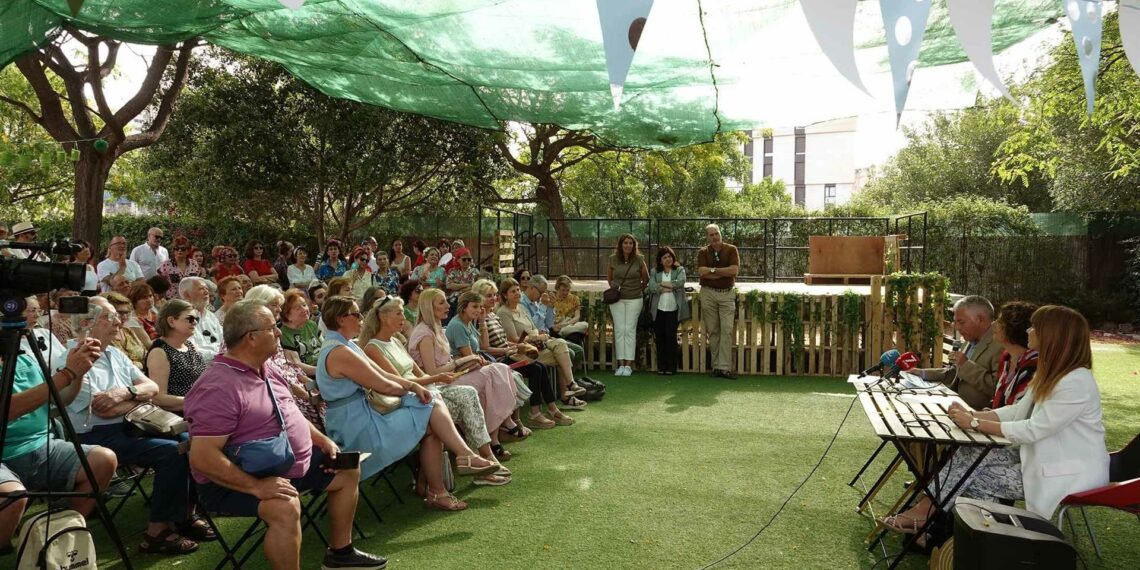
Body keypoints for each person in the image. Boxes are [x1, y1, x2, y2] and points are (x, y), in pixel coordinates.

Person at [185, 300, 388, 570]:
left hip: (286, 464)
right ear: (251, 338)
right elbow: (202, 457)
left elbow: (291, 414)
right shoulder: (218, 386)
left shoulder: (266, 368)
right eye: (273, 327)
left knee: (347, 469)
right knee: (285, 506)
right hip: (241, 478)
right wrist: (256, 487)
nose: (279, 332)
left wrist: (321, 440)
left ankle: (340, 553)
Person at [880, 305, 1110, 539]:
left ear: (1051, 336)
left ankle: (942, 528)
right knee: (971, 455)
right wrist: (975, 415)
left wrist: (975, 423)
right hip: (1042, 458)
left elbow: (1032, 429)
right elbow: (1018, 411)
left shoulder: (1075, 382)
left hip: (1068, 472)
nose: (1029, 330)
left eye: (1035, 327)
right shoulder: (1054, 372)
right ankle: (959, 535)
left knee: (974, 477)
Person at [58, 296, 213, 555]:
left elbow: (150, 388)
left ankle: (184, 515)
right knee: (172, 452)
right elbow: (102, 410)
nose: (119, 321)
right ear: (86, 323)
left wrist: (123, 393)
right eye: (110, 317)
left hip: (134, 425)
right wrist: (136, 398)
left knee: (194, 439)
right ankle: (156, 533)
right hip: (97, 436)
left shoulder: (114, 354)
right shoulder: (71, 360)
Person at [316, 296, 501, 511]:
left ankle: (439, 488)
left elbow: (385, 377)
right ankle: (462, 459)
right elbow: (383, 385)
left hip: (363, 415)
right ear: (340, 319)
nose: (361, 318)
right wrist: (415, 387)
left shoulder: (345, 345)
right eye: (356, 314)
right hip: (356, 428)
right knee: (431, 404)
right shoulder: (340, 351)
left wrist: (417, 387)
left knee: (431, 421)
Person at [360, 295, 512, 486]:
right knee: (465, 399)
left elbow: (419, 374)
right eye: (399, 313)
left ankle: (479, 459)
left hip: (424, 391)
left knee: (468, 394)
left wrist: (438, 379)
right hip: (409, 399)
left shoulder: (396, 342)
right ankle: (478, 460)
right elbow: (401, 383)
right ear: (383, 317)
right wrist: (438, 378)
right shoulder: (372, 348)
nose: (403, 318)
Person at [1, 337, 117, 554]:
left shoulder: (23, 357)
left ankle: (64, 540)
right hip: (5, 455)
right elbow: (8, 410)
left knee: (102, 460)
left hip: (41, 444)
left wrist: (79, 372)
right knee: (11, 497)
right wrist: (67, 374)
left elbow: (62, 399)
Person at [414, 289, 522, 459]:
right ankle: (493, 440)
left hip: (451, 376)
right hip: (439, 383)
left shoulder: (437, 329)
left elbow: (478, 348)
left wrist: (464, 362)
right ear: (429, 306)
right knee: (491, 375)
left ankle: (494, 436)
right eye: (442, 302)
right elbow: (432, 372)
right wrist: (460, 362)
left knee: (498, 371)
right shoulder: (426, 333)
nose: (448, 305)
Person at [472, 280, 573, 429]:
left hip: (508, 354)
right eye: (488, 296)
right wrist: (510, 349)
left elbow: (504, 341)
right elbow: (484, 348)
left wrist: (518, 347)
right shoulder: (479, 319)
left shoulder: (493, 315)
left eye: (494, 295)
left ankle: (552, 409)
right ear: (479, 297)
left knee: (540, 367)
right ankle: (535, 413)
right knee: (536, 369)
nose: (493, 298)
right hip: (497, 361)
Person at [496, 278, 588, 410]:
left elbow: (536, 326)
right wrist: (537, 336)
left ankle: (570, 387)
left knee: (562, 345)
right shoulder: (504, 313)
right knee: (563, 354)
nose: (517, 293)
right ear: (505, 295)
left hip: (539, 343)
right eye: (513, 291)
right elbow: (516, 340)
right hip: (524, 351)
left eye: (517, 290)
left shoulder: (521, 308)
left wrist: (540, 331)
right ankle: (567, 393)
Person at [913, 295, 1002, 411]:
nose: (956, 327)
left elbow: (997, 388)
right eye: (955, 322)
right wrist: (920, 373)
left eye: (961, 322)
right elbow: (954, 372)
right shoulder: (970, 339)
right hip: (954, 406)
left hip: (978, 415)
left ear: (980, 319)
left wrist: (966, 365)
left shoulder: (1000, 345)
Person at [144, 299, 207, 413]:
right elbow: (158, 398)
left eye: (196, 319)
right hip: (178, 417)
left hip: (200, 409)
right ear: (171, 321)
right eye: (190, 319)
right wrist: (198, 402)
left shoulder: (190, 346)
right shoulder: (159, 352)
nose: (195, 322)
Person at [697, 223, 739, 379]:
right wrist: (723, 272)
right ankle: (715, 367)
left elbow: (734, 271)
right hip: (708, 293)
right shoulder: (703, 252)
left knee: (726, 330)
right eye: (711, 235)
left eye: (716, 233)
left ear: (720, 234)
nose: (714, 237)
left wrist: (712, 271)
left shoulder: (731, 249)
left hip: (727, 294)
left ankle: (724, 368)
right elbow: (702, 272)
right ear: (707, 237)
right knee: (713, 331)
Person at [606, 234, 648, 376]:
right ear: (621, 244)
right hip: (617, 299)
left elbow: (646, 279)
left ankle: (628, 365)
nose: (628, 245)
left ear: (634, 245)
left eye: (631, 243)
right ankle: (620, 364)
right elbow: (610, 279)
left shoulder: (639, 259)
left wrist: (636, 290)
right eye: (625, 243)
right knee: (619, 330)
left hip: (635, 299)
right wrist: (616, 290)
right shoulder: (613, 259)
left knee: (629, 330)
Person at [647, 246, 689, 375]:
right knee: (659, 338)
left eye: (670, 256)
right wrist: (664, 288)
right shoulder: (655, 271)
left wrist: (662, 284)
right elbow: (651, 286)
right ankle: (661, 367)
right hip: (658, 309)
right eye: (664, 257)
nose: (668, 259)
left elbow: (680, 282)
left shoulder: (679, 270)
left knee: (670, 337)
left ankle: (671, 367)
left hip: (673, 309)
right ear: (660, 260)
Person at [280, 289, 323, 376]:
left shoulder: (311, 324)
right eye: (298, 308)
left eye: (304, 305)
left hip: (326, 365)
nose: (304, 309)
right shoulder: (284, 334)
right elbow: (296, 365)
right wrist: (324, 372)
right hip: (311, 375)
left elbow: (325, 347)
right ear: (287, 315)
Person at [179, 277, 223, 362]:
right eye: (201, 289)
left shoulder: (211, 316)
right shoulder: (182, 319)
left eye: (207, 289)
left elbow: (223, 340)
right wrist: (220, 355)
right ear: (187, 295)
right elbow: (191, 351)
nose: (207, 292)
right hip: (200, 366)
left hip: (220, 361)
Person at [104, 292, 148, 369]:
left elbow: (146, 355)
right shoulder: (103, 335)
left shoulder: (128, 331)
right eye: (119, 313)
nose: (124, 317)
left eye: (127, 313)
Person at [551, 275, 588, 344]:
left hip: (569, 325)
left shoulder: (574, 299)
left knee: (575, 337)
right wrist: (554, 326)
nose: (565, 293)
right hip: (555, 325)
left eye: (567, 290)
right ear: (558, 288)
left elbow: (577, 317)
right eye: (563, 290)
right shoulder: (553, 298)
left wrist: (565, 324)